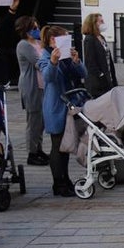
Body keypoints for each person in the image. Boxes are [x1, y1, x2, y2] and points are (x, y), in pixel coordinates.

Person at [37, 25, 87, 197]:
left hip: (68, 105)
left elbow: (82, 74)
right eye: (64, 39)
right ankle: (59, 183)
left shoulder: (65, 57)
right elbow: (48, 78)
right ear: (53, 41)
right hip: (55, 107)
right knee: (58, 146)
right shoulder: (45, 57)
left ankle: (65, 180)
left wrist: (76, 61)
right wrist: (53, 61)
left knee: (65, 146)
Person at [14, 16, 49, 167]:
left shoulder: (38, 43)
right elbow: (39, 62)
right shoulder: (24, 45)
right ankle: (32, 152)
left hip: (42, 85)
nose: (37, 31)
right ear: (25, 30)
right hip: (31, 86)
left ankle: (38, 149)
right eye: (33, 29)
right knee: (33, 120)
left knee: (40, 121)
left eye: (37, 27)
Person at [82, 13, 117, 97]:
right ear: (93, 23)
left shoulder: (101, 37)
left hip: (108, 76)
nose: (103, 23)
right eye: (101, 21)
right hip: (98, 81)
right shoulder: (89, 39)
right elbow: (90, 62)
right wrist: (100, 75)